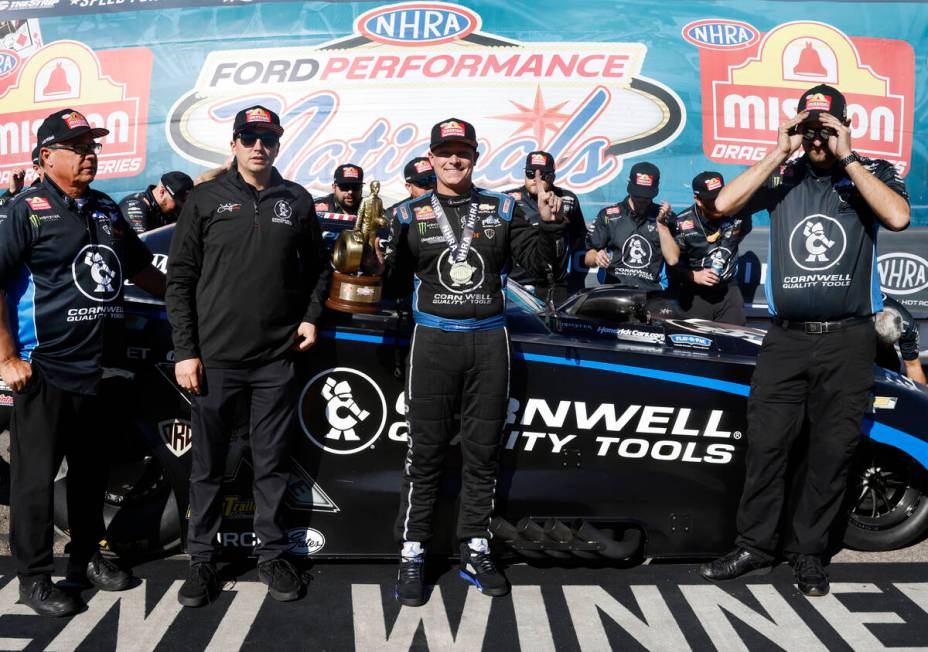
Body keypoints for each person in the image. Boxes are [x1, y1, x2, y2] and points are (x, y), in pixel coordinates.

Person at [699, 84, 910, 596]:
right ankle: (754, 545)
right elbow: (723, 205)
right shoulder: (785, 175)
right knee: (768, 445)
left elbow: (898, 217)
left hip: (848, 339)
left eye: (826, 126)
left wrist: (848, 154)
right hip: (786, 339)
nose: (816, 137)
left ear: (843, 124)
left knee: (831, 451)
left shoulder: (870, 171)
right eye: (808, 126)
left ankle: (810, 554)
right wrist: (779, 148)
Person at [375, 117, 565, 607]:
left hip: (488, 342)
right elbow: (387, 284)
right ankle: (413, 550)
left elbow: (541, 266)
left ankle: (476, 546)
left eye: (464, 151)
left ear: (476, 157)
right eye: (445, 151)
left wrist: (548, 224)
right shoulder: (406, 214)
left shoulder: (503, 209)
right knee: (425, 452)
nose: (454, 159)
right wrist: (374, 259)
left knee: (483, 452)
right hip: (433, 341)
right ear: (431, 157)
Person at [0, 108, 165, 617]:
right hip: (45, 367)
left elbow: (142, 271)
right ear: (48, 156)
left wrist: (199, 304)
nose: (90, 153)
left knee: (93, 472)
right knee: (34, 480)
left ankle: (87, 554)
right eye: (78, 146)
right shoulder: (23, 211)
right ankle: (33, 577)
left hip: (102, 366)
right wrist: (6, 357)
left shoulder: (107, 210)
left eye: (92, 144)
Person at [166, 104, 330, 607]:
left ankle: (274, 555)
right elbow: (180, 279)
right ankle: (201, 561)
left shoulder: (296, 200)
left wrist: (310, 315)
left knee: (273, 462)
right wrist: (186, 352)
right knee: (209, 466)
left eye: (268, 138)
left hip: (274, 360)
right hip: (214, 360)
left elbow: (319, 270)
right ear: (234, 143)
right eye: (249, 137)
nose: (259, 146)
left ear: (278, 145)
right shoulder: (205, 199)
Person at [503, 151, 586, 305]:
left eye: (543, 175)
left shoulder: (568, 199)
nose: (536, 179)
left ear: (553, 176)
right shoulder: (507, 199)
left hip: (555, 285)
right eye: (531, 173)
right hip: (517, 284)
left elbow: (579, 238)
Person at [671, 172, 752, 325]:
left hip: (729, 291)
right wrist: (693, 276)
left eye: (720, 196)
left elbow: (745, 227)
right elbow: (671, 265)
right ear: (698, 200)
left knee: (734, 343)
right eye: (711, 199)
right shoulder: (682, 223)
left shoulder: (737, 213)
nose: (718, 202)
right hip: (695, 294)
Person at [584, 162, 678, 292]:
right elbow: (588, 256)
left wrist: (662, 225)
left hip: (652, 293)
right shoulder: (608, 215)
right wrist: (596, 257)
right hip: (615, 290)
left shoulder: (666, 218)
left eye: (646, 196)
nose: (641, 200)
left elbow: (673, 259)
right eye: (637, 194)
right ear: (629, 183)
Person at [118, 171, 194, 234]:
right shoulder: (134, 207)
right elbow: (142, 245)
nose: (180, 207)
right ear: (162, 192)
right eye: (177, 202)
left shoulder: (169, 210)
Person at [875, 294, 925, 384]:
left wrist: (921, 396)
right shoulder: (858, 319)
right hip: (854, 334)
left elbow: (913, 366)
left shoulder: (908, 326)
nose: (887, 345)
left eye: (891, 342)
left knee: (890, 364)